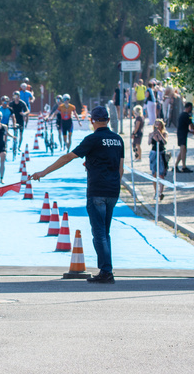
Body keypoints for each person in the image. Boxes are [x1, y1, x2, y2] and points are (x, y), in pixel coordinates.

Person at [30, 105, 124, 284]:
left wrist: (43, 172)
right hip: (113, 190)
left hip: (97, 190)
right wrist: (114, 186)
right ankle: (106, 269)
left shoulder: (93, 139)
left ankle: (106, 271)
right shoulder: (118, 140)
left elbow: (67, 158)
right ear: (108, 120)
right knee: (106, 232)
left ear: (92, 121)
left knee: (99, 234)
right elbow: (120, 168)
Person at [149, 119, 169, 201]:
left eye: (159, 125)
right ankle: (155, 192)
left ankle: (161, 192)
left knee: (161, 174)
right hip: (154, 153)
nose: (158, 126)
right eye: (156, 124)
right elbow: (149, 142)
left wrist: (160, 134)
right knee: (154, 173)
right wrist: (153, 135)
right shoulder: (151, 134)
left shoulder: (164, 133)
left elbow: (165, 142)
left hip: (161, 153)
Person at [175, 102, 194, 173]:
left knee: (183, 150)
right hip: (182, 134)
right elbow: (191, 125)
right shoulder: (186, 115)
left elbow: (184, 126)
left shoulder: (182, 114)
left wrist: (191, 131)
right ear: (188, 107)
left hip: (182, 133)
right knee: (183, 149)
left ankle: (175, 165)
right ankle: (183, 166)